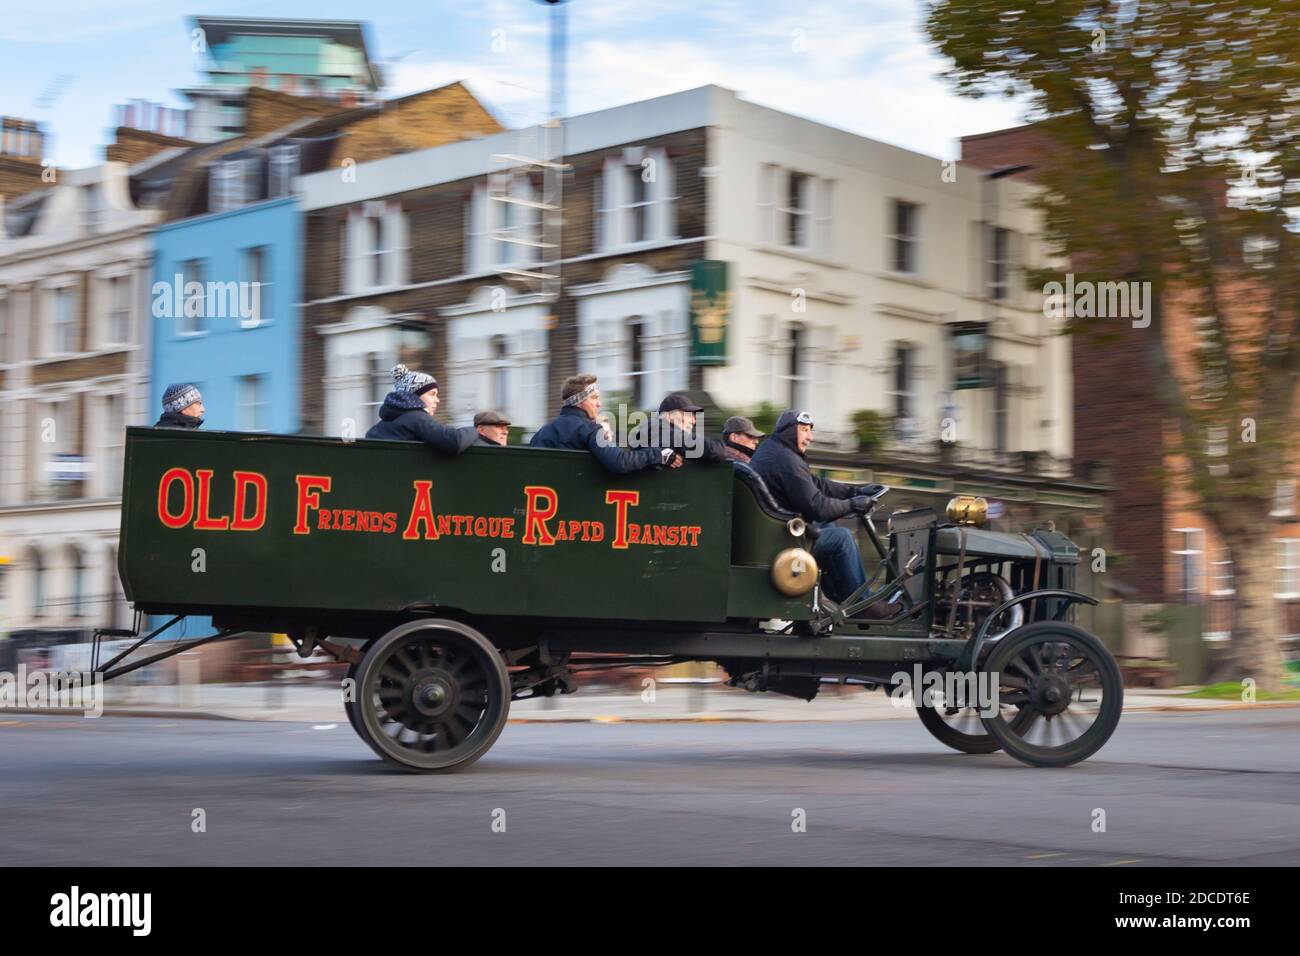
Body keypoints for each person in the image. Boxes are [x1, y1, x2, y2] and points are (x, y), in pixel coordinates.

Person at [749, 409, 880, 605]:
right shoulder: (786, 460)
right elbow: (817, 507)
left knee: (827, 527)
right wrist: (853, 505)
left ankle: (839, 599)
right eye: (804, 430)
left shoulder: (776, 451)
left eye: (809, 431)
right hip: (781, 541)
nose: (809, 437)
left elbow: (817, 484)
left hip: (772, 533)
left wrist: (855, 491)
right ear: (789, 431)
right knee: (842, 538)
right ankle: (862, 602)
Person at [530, 373, 678, 473]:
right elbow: (620, 462)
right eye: (594, 398)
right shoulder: (591, 430)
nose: (599, 404)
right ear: (579, 401)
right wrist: (659, 455)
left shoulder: (541, 433)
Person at [365, 364, 477, 454]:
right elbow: (453, 442)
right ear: (413, 395)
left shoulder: (379, 426)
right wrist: (477, 430)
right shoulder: (417, 419)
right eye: (432, 394)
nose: (437, 400)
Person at [637, 393, 729, 464]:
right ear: (669, 416)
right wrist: (728, 450)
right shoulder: (661, 433)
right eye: (688, 414)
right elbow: (716, 450)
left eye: (694, 416)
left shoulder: (654, 433)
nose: (693, 421)